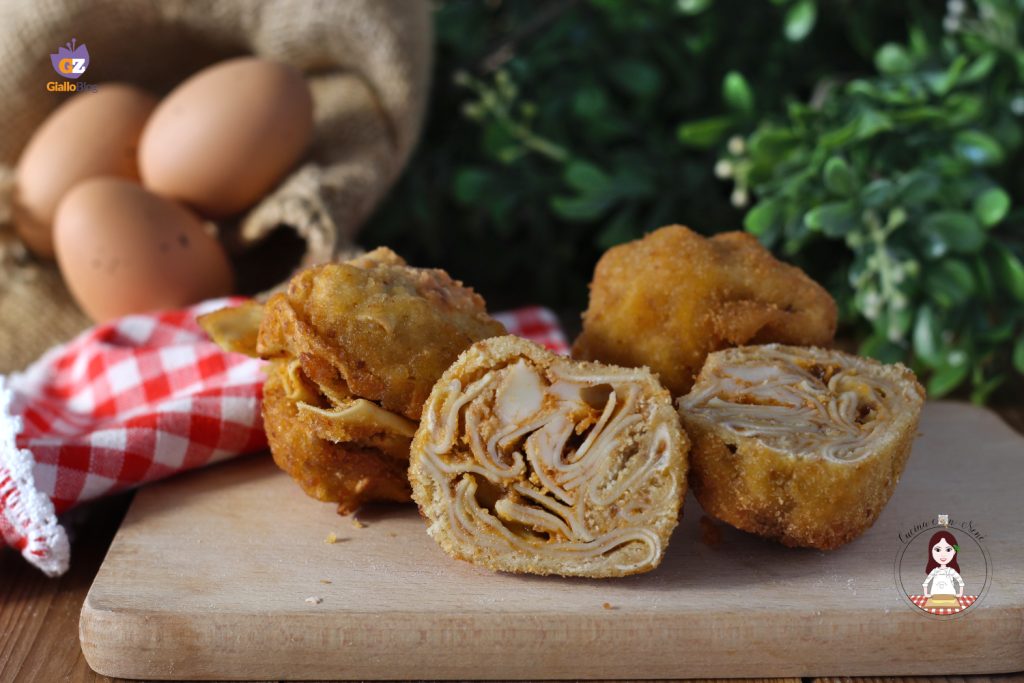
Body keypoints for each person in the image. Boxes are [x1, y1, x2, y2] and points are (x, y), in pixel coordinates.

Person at [923, 530, 964, 607]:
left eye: (948, 550)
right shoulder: (934, 571)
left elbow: (960, 581)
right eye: (938, 550)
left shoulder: (951, 571)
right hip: (935, 596)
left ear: (954, 552)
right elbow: (926, 582)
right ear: (931, 551)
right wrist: (926, 594)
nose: (943, 554)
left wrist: (960, 593)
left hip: (950, 596)